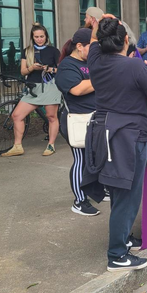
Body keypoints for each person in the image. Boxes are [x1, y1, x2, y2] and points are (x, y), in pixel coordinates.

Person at [85, 18, 147, 272]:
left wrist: (102, 25)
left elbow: (95, 40)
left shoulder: (95, 61)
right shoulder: (135, 67)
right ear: (127, 41)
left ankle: (124, 238)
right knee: (127, 197)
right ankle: (117, 255)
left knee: (119, 193)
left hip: (103, 133)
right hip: (128, 137)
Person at [56, 28, 100, 217]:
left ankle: (98, 190)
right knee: (81, 159)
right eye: (93, 46)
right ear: (80, 46)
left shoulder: (90, 63)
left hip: (95, 117)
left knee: (98, 157)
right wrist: (103, 76)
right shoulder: (67, 65)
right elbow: (77, 90)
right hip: (77, 120)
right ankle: (79, 200)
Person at [2, 23, 61, 157]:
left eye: (42, 36)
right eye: (36, 37)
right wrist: (32, 68)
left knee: (51, 116)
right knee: (17, 115)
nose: (39, 39)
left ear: (46, 37)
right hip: (32, 86)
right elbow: (23, 72)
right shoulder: (27, 51)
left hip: (50, 85)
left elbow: (61, 70)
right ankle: (17, 146)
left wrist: (49, 69)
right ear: (32, 37)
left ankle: (51, 145)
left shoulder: (54, 51)